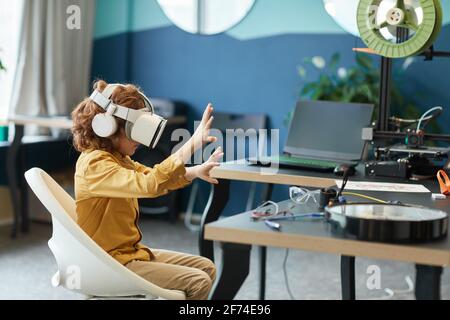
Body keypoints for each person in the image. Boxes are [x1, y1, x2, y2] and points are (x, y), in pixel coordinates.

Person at [71, 80, 223, 299]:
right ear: (107, 126)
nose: (140, 140)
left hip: (129, 253)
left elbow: (152, 177)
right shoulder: (95, 164)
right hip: (107, 262)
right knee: (197, 282)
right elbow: (149, 185)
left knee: (206, 268)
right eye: (135, 130)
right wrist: (191, 145)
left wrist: (194, 171)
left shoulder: (119, 159)